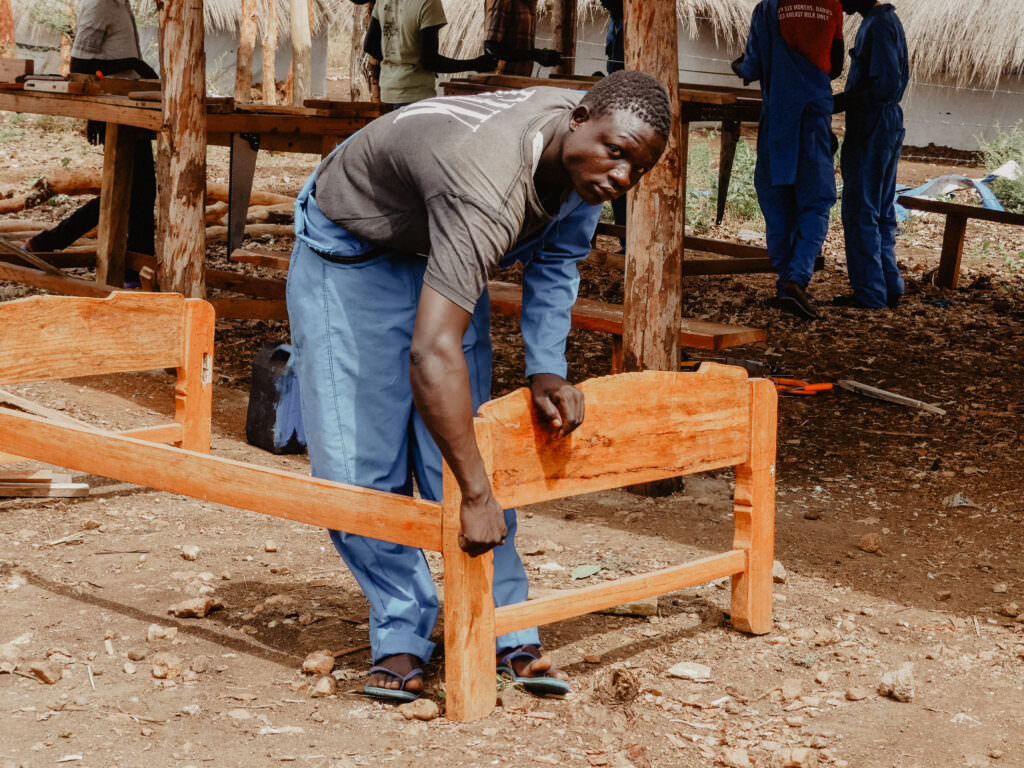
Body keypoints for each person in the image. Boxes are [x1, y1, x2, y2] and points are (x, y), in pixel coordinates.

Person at [285, 70, 670, 702]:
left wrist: (546, 365)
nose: (622, 178)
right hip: (351, 250)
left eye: (639, 170)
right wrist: (474, 492)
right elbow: (431, 352)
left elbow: (557, 258)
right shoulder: (487, 181)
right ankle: (402, 625)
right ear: (578, 119)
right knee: (360, 458)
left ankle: (501, 621)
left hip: (440, 243)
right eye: (617, 153)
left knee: (473, 443)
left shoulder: (582, 167)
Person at [732, 0, 844, 319]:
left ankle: (785, 283)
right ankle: (797, 280)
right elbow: (835, 66)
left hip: (778, 119)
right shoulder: (832, 4)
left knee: (777, 202)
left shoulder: (768, 8)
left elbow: (750, 68)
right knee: (816, 203)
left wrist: (741, 65)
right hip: (814, 116)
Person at [27, 0, 157, 263]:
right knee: (136, 189)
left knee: (137, 189)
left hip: (129, 102)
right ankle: (135, 264)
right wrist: (94, 112)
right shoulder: (100, 3)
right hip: (115, 105)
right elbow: (79, 63)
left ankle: (136, 263)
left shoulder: (120, 4)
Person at [831, 0, 909, 309]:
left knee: (861, 209)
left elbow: (884, 86)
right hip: (882, 123)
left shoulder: (879, 23)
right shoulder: (881, 21)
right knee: (879, 209)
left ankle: (870, 293)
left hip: (873, 124)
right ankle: (889, 284)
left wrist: (836, 102)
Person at [363, 0, 496, 110]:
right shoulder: (428, 2)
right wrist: (475, 64)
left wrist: (395, 59)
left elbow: (370, 46)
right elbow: (429, 61)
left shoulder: (382, 1)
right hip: (415, 96)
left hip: (387, 93)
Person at [599, 0, 627, 252]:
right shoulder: (614, 23)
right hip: (616, 107)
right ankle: (625, 240)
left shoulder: (634, 23)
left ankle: (632, 240)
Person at [483, 0, 561, 77]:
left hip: (520, 79)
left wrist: (540, 55)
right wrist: (535, 55)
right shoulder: (504, 2)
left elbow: (521, 49)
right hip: (500, 81)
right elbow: (490, 49)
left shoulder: (530, 6)